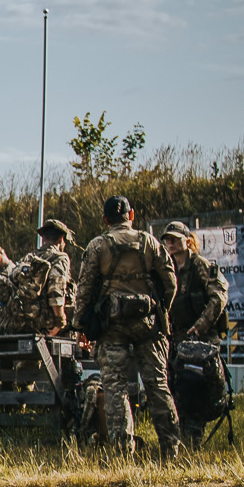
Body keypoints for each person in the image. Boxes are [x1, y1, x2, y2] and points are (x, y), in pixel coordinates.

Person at [74, 195, 182, 459]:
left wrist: (81, 326)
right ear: (131, 216)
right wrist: (161, 309)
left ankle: (123, 453)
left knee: (115, 387)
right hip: (148, 324)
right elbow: (171, 282)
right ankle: (172, 449)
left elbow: (84, 289)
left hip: (112, 326)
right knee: (157, 384)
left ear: (105, 219)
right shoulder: (149, 241)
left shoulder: (98, 245)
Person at [163, 221, 229, 444]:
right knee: (176, 390)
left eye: (174, 238)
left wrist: (199, 327)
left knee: (194, 388)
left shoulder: (200, 265)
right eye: (167, 239)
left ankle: (193, 439)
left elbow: (219, 297)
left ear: (187, 240)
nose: (170, 243)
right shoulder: (168, 269)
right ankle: (182, 438)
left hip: (201, 340)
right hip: (178, 340)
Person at [0, 219, 75, 336]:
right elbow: (56, 290)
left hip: (22, 325)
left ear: (43, 238)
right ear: (61, 239)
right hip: (47, 326)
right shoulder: (60, 258)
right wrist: (60, 321)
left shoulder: (28, 258)